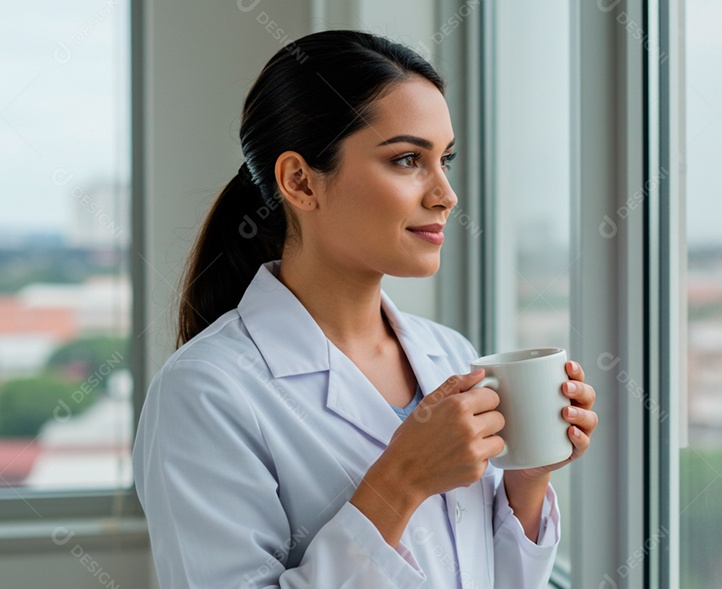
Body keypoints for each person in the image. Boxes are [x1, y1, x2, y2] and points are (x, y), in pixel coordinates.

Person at [132, 30, 599, 589]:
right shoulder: (205, 393)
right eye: (407, 159)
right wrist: (399, 482)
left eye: (444, 159)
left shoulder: (449, 354)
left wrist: (526, 480)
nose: (445, 194)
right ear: (300, 181)